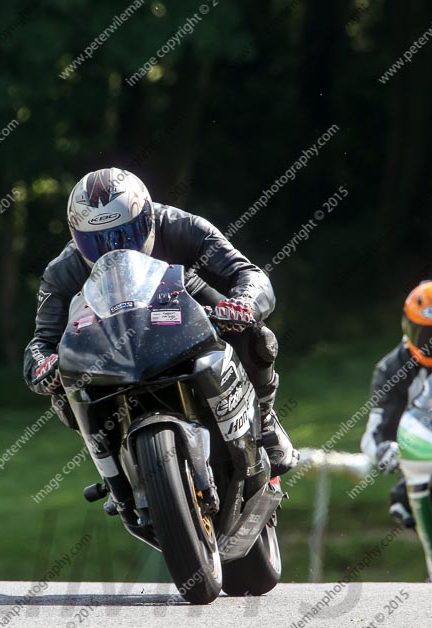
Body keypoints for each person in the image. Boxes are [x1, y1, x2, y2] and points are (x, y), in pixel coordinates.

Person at [24, 167, 297, 500]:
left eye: (125, 234)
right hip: (112, 344)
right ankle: (116, 473)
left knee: (256, 336)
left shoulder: (183, 226)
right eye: (96, 241)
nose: (113, 249)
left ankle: (264, 423)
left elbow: (248, 274)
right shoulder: (62, 271)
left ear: (148, 217)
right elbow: (42, 342)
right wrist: (43, 366)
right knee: (65, 388)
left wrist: (242, 304)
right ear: (75, 236)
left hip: (188, 307)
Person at [361, 281, 432, 527]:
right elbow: (373, 436)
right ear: (409, 328)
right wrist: (383, 451)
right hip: (421, 467)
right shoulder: (392, 369)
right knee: (404, 504)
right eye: (425, 335)